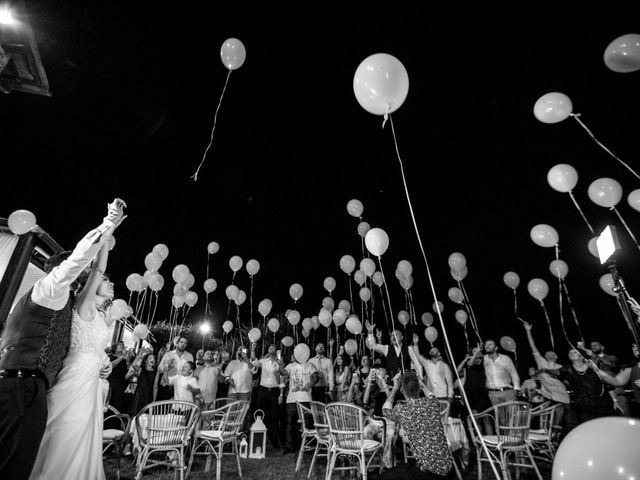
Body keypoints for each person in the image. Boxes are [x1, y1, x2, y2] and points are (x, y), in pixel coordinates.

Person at [0, 198, 125, 480]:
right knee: (23, 459)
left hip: (42, 385)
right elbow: (87, 264)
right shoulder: (50, 289)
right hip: (22, 384)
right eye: (76, 272)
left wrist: (103, 362)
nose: (80, 275)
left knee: (28, 456)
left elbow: (70, 343)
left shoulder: (66, 307)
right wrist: (108, 227)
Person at [380, 371, 454, 479]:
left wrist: (395, 388)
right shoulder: (432, 403)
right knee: (405, 469)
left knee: (384, 477)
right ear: (419, 389)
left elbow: (385, 410)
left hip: (428, 473)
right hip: (448, 469)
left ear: (402, 390)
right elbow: (430, 395)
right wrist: (421, 383)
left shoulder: (402, 410)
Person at [542, 347, 615, 435]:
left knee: (607, 430)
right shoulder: (567, 369)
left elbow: (607, 384)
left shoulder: (592, 366)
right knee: (588, 431)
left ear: (581, 356)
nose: (571, 353)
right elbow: (555, 372)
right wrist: (545, 370)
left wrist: (614, 400)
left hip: (603, 404)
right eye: (570, 352)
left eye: (574, 352)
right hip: (584, 407)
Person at [522, 322, 569, 424]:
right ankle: (522, 427)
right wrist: (528, 331)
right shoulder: (542, 362)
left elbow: (567, 381)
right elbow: (533, 347)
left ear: (556, 357)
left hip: (562, 396)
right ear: (545, 356)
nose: (549, 353)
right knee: (543, 419)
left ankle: (554, 437)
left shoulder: (561, 367)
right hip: (548, 395)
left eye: (552, 353)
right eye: (547, 353)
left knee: (558, 422)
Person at [251, 343, 286, 451]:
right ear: (268, 350)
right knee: (260, 414)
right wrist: (252, 348)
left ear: (276, 351)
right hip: (263, 390)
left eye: (273, 348)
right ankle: (260, 440)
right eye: (270, 347)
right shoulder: (263, 361)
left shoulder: (279, 363)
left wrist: (281, 394)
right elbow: (253, 360)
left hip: (275, 392)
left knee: (274, 417)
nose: (271, 349)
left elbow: (282, 379)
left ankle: (275, 441)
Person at [591, 342, 640, 417]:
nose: (635, 348)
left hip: (619, 395)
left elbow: (611, 364)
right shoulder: (631, 368)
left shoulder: (611, 358)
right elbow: (616, 381)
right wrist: (597, 370)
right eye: (633, 347)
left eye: (637, 345)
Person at [282, 352, 317, 455]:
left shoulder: (310, 365)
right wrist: (280, 365)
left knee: (308, 423)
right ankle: (289, 447)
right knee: (289, 423)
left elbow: (316, 377)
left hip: (305, 398)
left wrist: (308, 385)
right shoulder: (290, 366)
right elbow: (283, 373)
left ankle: (309, 446)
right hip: (292, 399)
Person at [408, 334, 454, 403]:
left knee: (444, 414)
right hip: (431, 396)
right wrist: (415, 343)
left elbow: (449, 382)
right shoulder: (427, 364)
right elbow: (417, 355)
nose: (432, 350)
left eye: (434, 350)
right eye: (431, 350)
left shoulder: (444, 366)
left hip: (443, 396)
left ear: (439, 353)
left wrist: (450, 396)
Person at [482, 338, 520, 404]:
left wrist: (516, 389)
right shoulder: (483, 359)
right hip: (493, 394)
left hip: (508, 392)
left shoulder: (505, 359)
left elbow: (513, 373)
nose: (487, 346)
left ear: (496, 348)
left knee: (511, 413)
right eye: (486, 344)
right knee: (499, 414)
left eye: (490, 344)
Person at [158, 335, 194, 400]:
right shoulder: (168, 354)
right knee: (163, 409)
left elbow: (190, 373)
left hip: (180, 389)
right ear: (177, 343)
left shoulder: (190, 357)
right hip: (166, 387)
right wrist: (166, 366)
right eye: (181, 342)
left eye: (185, 343)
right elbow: (160, 369)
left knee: (175, 409)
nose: (183, 344)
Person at [106, 341, 132, 414]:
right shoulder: (110, 357)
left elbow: (125, 374)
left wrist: (130, 372)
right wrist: (122, 356)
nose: (122, 346)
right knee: (109, 405)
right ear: (114, 347)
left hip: (121, 386)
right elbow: (111, 365)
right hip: (111, 385)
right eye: (119, 345)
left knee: (118, 407)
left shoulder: (124, 360)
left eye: (123, 345)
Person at [129, 351, 157, 416]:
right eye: (150, 358)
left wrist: (154, 400)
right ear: (145, 361)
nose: (152, 360)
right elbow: (133, 365)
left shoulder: (155, 372)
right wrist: (139, 355)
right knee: (137, 415)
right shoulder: (141, 370)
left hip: (149, 395)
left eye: (154, 358)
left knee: (146, 416)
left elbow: (155, 387)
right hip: (140, 395)